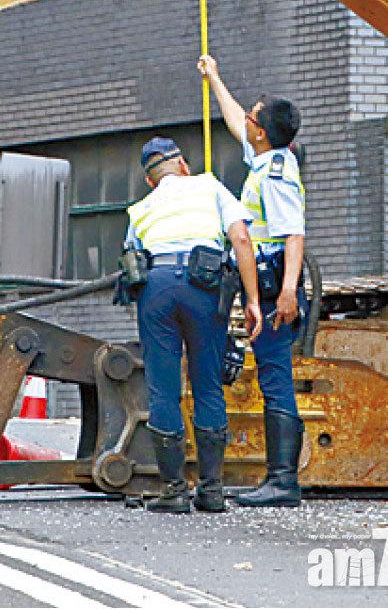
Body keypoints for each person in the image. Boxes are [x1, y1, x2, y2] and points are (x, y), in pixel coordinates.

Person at [125, 137, 262, 513]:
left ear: (151, 181)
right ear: (184, 165)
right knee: (207, 383)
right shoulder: (210, 185)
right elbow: (241, 238)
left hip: (157, 287)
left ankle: (173, 491)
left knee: (164, 389)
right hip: (205, 286)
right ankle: (212, 490)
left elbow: (131, 261)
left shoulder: (141, 208)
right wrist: (251, 300)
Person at [198, 54, 307, 508]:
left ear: (263, 131)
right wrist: (215, 79)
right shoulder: (263, 160)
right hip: (264, 282)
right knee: (269, 370)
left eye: (253, 114)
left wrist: (286, 292)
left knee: (276, 373)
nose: (246, 116)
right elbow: (232, 120)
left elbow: (293, 233)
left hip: (276, 281)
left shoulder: (277, 174)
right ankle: (278, 478)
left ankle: (283, 482)